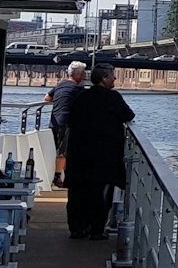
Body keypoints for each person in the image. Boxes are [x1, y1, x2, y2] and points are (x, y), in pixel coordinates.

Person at [63, 64, 134, 240]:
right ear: (104, 78)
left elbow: (70, 120)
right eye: (112, 76)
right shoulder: (112, 98)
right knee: (100, 194)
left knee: (78, 192)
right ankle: (96, 230)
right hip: (103, 155)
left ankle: (77, 229)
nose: (115, 79)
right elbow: (128, 115)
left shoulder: (81, 97)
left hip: (79, 153)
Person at [46, 60, 88, 187]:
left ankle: (63, 176)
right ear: (78, 74)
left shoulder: (60, 85)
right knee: (63, 151)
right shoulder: (78, 89)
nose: (85, 76)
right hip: (67, 122)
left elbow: (47, 98)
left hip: (54, 121)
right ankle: (57, 178)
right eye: (83, 74)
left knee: (60, 149)